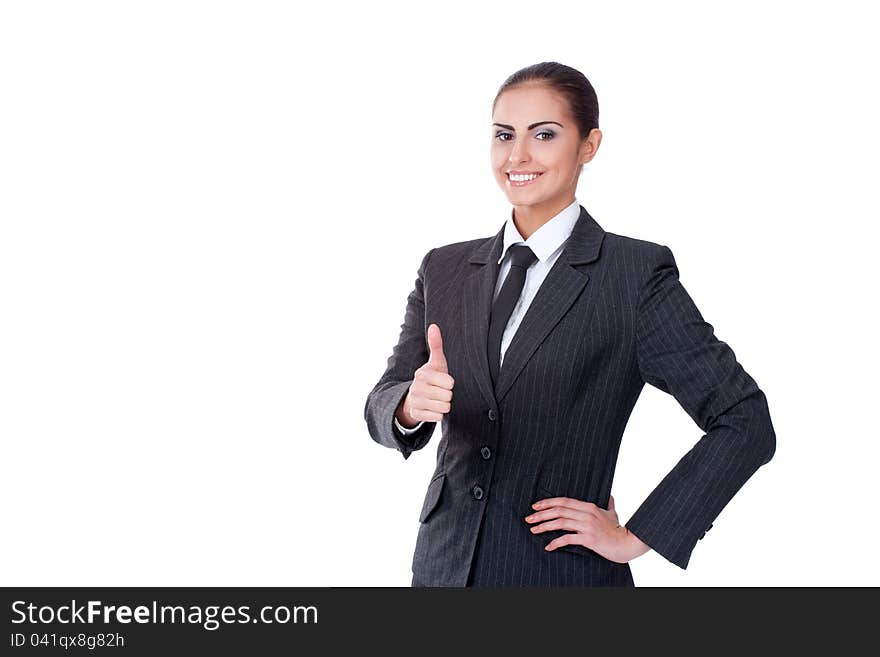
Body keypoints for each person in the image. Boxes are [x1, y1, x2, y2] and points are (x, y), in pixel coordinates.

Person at [363, 61, 776, 587]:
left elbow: (744, 418)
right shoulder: (443, 268)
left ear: (589, 144)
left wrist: (638, 535)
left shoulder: (632, 276)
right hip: (443, 571)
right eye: (504, 135)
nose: (518, 155)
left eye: (544, 134)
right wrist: (406, 405)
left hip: (561, 574)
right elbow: (383, 401)